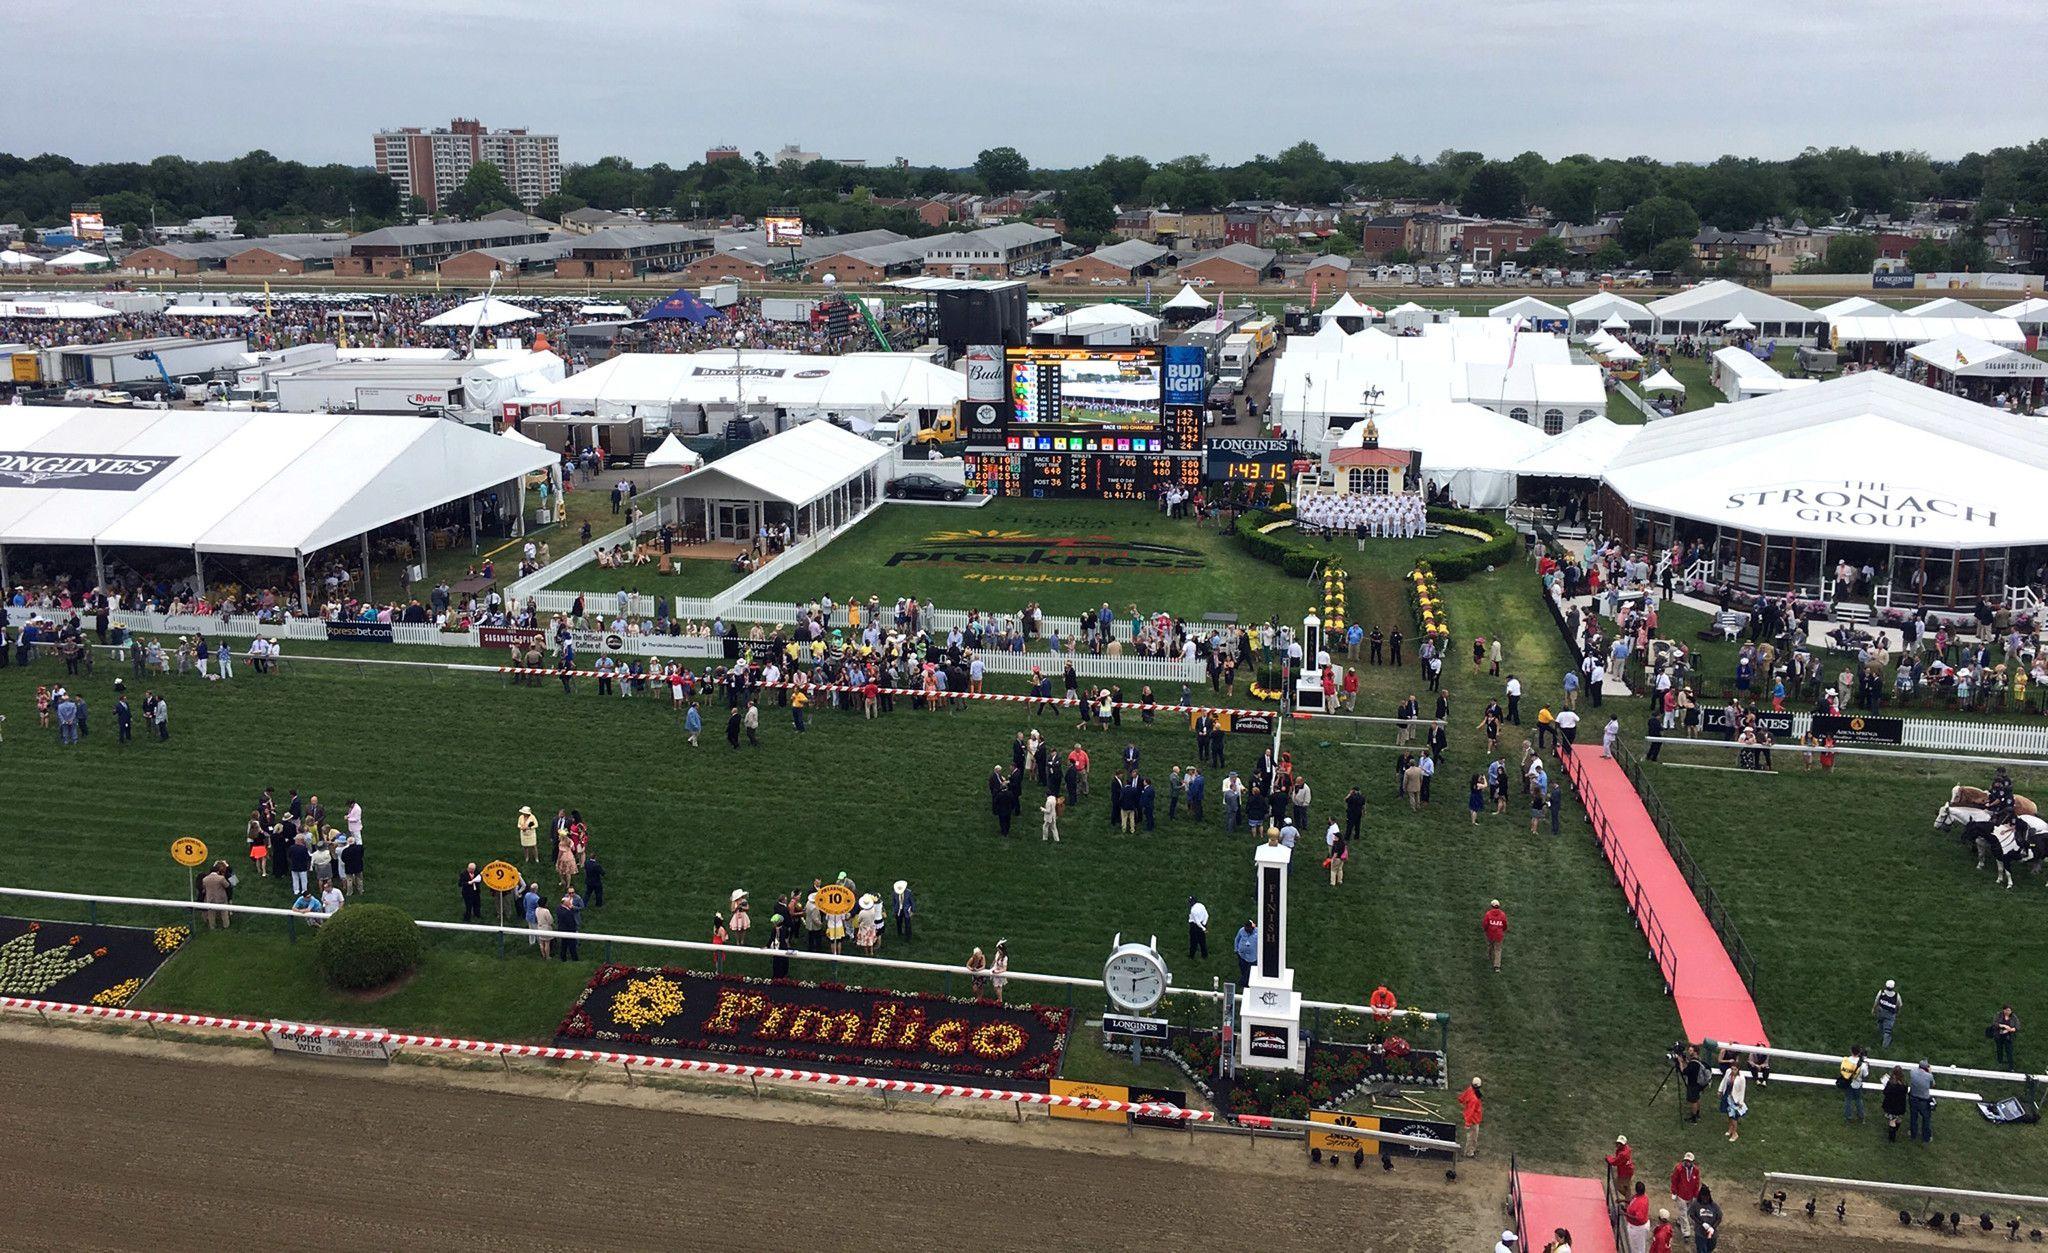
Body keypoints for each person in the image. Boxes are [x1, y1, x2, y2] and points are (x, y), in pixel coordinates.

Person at [1668, 1152, 1701, 1238]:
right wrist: (1674, 1192)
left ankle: (1679, 1221)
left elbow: (1697, 1183)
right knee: (1684, 1213)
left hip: (1690, 1196)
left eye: (1689, 1161)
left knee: (1687, 1212)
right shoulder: (1679, 1169)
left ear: (1693, 1162)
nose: (1687, 1163)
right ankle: (1686, 1232)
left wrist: (1695, 1195)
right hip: (1681, 1195)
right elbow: (1674, 1180)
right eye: (1686, 1161)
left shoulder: (1696, 1170)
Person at [1718, 1062, 1748, 1142]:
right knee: (1728, 1114)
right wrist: (1720, 1090)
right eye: (1732, 1069)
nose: (1733, 1071)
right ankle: (1730, 1128)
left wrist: (1740, 1102)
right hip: (1727, 1095)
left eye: (1735, 1069)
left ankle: (1735, 1133)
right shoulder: (1728, 1072)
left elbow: (1742, 1091)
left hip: (1735, 1099)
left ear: (1738, 1069)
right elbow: (1724, 1081)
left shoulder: (1741, 1078)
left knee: (1734, 1117)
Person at [1839, 1045, 1869, 1123]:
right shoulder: (1862, 1065)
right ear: (1859, 1052)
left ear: (1851, 1051)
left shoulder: (1846, 1060)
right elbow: (1865, 1075)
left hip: (1848, 1083)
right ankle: (1861, 1116)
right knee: (1858, 1100)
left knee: (1848, 1100)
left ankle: (1848, 1117)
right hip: (1857, 1084)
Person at [1907, 1058, 1934, 1143]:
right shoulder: (1929, 1076)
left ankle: (1913, 1134)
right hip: (1924, 1100)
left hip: (1913, 1097)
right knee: (1926, 1118)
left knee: (1913, 1117)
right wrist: (1930, 1072)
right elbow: (1933, 1084)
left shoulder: (1912, 1072)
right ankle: (1926, 1137)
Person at [1689, 1185, 1722, 1253]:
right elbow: (1692, 1215)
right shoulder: (1695, 1204)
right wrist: (1701, 1223)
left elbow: (1719, 1218)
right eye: (1703, 1197)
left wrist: (1713, 1228)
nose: (1705, 1199)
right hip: (1700, 1233)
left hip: (1712, 1234)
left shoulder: (1714, 1206)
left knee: (1710, 1248)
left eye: (1707, 1197)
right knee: (1702, 1250)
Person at [1679, 1046, 1708, 1123]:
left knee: (1693, 1101)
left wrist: (1680, 1062)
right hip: (1698, 1084)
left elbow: (1684, 1072)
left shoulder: (1693, 1063)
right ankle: (1697, 1114)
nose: (1689, 1051)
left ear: (1695, 1052)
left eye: (1690, 1050)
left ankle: (1693, 1118)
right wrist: (1686, 1062)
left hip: (1693, 1084)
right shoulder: (1698, 1060)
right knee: (1697, 1099)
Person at [1457, 1076, 1484, 1158]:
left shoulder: (1470, 1089)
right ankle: (1469, 1152)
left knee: (1472, 1136)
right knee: (1472, 1137)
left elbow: (1462, 1097)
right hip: (1473, 1120)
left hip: (1473, 1118)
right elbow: (1470, 1111)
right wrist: (1468, 1123)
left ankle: (1471, 1150)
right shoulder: (1474, 1099)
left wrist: (1461, 1100)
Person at [1880, 1065, 1909, 1141]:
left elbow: (1885, 1092)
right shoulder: (1904, 1084)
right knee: (1898, 1119)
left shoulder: (1891, 1084)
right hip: (1901, 1105)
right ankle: (1895, 1129)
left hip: (1891, 1105)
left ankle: (1891, 1138)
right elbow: (1905, 1093)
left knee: (1892, 1121)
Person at [199, 864, 231, 930]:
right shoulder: (221, 878)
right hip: (221, 898)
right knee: (224, 912)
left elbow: (204, 888)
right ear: (217, 871)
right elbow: (227, 885)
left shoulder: (205, 879)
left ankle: (212, 926)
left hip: (210, 898)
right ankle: (226, 925)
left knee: (211, 913)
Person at [1623, 1181, 1651, 1253]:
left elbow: (1638, 1218)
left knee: (1638, 1248)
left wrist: (1625, 1214)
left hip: (1638, 1228)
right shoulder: (1639, 1196)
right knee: (1634, 1246)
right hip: (1636, 1227)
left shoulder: (1641, 1203)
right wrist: (1623, 1200)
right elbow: (1632, 1201)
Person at [1481, 899, 1508, 973]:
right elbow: (1505, 924)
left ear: (1491, 906)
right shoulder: (1502, 914)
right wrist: (1503, 930)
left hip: (1490, 934)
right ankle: (1497, 967)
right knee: (1498, 950)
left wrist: (1485, 930)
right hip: (1499, 935)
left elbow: (1485, 924)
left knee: (1490, 945)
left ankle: (1489, 957)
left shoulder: (1488, 914)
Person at [1606, 1134, 1635, 1201]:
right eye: (1618, 1143)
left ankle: (1630, 1199)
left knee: (1619, 1186)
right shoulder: (1625, 1149)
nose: (1619, 1145)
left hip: (1625, 1172)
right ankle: (1629, 1200)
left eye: (1620, 1144)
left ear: (1624, 1144)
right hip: (1626, 1170)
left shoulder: (1623, 1154)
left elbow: (1614, 1162)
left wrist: (1608, 1158)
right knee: (1626, 1187)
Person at [1873, 978, 1901, 1047]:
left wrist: (1874, 1009)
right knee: (1887, 1030)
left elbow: (1876, 1001)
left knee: (1880, 1022)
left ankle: (1879, 1034)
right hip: (1890, 1014)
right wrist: (1897, 1012)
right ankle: (1885, 1045)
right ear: (1893, 987)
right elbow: (1899, 1005)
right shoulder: (1896, 995)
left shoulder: (1881, 992)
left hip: (1881, 1011)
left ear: (1886, 986)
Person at [1991, 1004, 2020, 1069]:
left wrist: (2009, 1030)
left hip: (2008, 1037)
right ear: (2004, 1010)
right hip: (1999, 1036)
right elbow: (1995, 1023)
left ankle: (2011, 1066)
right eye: (2007, 1010)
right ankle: (2000, 1062)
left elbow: (2017, 1026)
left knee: (2009, 1051)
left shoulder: (2013, 1017)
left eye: (2010, 1010)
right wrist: (2003, 1026)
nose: (2009, 1012)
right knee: (1999, 1050)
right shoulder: (1999, 1015)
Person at [1233, 919, 1257, 985]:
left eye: (1248, 928)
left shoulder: (1258, 932)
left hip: (1253, 957)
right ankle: (1244, 980)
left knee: (1250, 971)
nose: (1246, 929)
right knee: (1243, 969)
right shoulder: (1241, 930)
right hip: (1242, 955)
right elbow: (1237, 939)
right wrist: (1236, 949)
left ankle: (1245, 982)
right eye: (1245, 927)